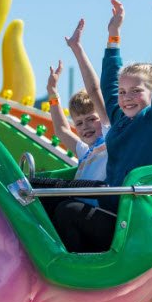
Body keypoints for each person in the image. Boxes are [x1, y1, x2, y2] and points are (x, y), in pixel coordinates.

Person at [53, 0, 152, 254]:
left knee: (67, 210)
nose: (126, 97)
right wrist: (113, 35)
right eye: (123, 92)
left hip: (134, 220)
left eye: (136, 91)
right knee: (40, 196)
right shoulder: (120, 120)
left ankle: (78, 279)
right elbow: (108, 81)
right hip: (112, 207)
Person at [47, 18, 110, 182]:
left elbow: (94, 90)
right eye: (79, 123)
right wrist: (52, 92)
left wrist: (77, 49)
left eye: (91, 119)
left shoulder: (110, 139)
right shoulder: (85, 151)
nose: (85, 126)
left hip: (97, 206)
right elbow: (62, 130)